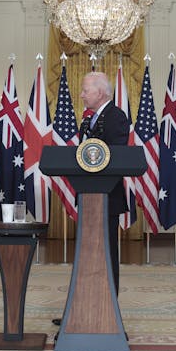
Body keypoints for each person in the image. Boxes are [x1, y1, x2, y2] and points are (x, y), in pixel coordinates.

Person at [52, 71, 130, 326]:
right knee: (86, 254)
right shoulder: (90, 119)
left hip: (106, 199)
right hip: (90, 197)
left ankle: (109, 311)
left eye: (86, 90)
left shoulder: (116, 117)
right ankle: (82, 306)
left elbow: (113, 157)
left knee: (106, 255)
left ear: (101, 92)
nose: (82, 94)